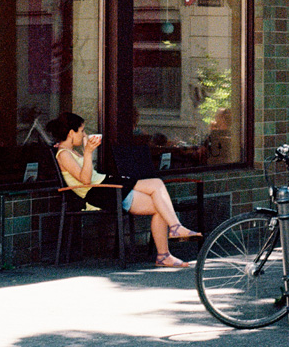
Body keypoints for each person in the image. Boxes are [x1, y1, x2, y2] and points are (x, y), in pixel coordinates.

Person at [48, 112, 201, 268]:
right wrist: (88, 152)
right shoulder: (64, 154)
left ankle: (172, 236)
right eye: (82, 131)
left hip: (105, 185)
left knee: (158, 192)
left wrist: (86, 152)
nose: (85, 134)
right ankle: (169, 244)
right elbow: (85, 181)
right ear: (71, 133)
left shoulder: (71, 151)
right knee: (159, 201)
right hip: (99, 193)